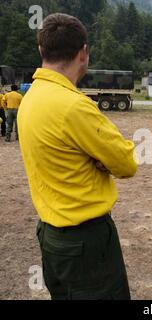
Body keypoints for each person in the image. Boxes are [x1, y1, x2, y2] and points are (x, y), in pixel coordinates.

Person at [17, 13, 138, 300]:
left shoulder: (30, 98)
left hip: (50, 235)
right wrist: (101, 160)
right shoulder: (74, 106)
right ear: (83, 52)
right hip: (87, 241)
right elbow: (126, 163)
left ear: (41, 50)